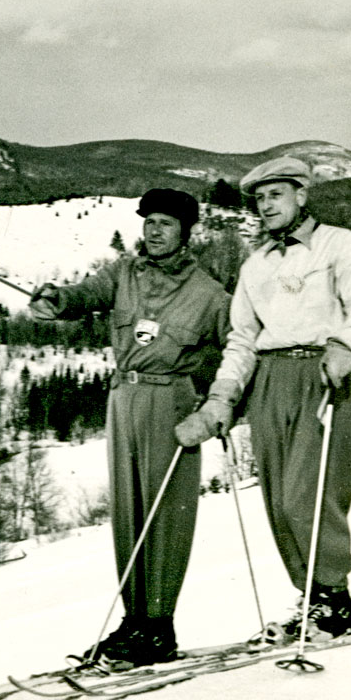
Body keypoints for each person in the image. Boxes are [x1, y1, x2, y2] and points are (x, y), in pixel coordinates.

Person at [175, 156, 351, 642]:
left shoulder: (339, 244)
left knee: (306, 497)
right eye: (259, 198)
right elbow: (243, 337)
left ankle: (335, 601)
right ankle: (312, 599)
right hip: (270, 381)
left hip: (322, 372)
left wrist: (345, 344)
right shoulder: (256, 265)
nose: (265, 205)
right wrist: (223, 396)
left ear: (301, 195)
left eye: (276, 195)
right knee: (277, 500)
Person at [29, 188, 230, 667]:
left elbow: (237, 353)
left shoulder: (209, 293)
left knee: (166, 514)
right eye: (149, 222)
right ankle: (133, 621)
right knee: (129, 512)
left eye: (165, 223)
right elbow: (84, 295)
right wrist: (56, 300)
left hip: (172, 402)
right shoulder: (123, 274)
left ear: (186, 231)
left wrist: (215, 411)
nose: (154, 231)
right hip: (123, 398)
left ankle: (159, 626)